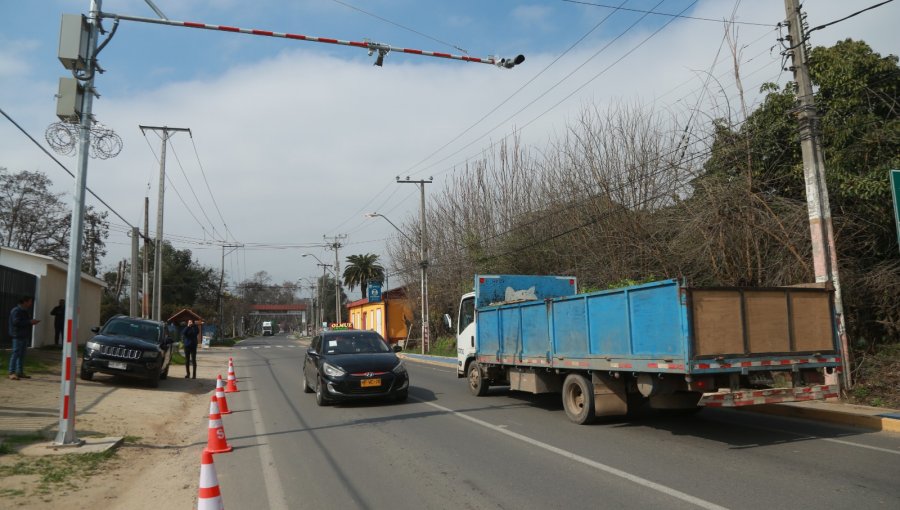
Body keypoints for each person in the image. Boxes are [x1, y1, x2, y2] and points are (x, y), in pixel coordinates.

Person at [9, 296, 40, 380]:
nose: (31, 303)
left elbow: (23, 322)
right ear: (24, 302)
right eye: (29, 301)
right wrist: (29, 321)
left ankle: (20, 372)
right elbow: (16, 322)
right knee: (16, 353)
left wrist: (31, 322)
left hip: (24, 335)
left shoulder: (24, 311)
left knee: (22, 355)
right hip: (18, 335)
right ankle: (11, 372)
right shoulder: (16, 311)